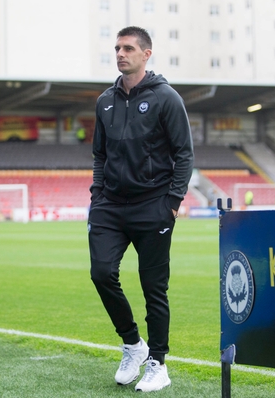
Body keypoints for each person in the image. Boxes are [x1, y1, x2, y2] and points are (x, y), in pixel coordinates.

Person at [88, 26, 194, 393]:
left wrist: (172, 202)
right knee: (101, 273)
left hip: (154, 205)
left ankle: (158, 363)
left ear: (146, 54)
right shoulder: (104, 101)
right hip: (110, 207)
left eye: (128, 48)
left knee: (154, 289)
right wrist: (96, 196)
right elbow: (99, 154)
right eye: (117, 48)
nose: (120, 53)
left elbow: (184, 154)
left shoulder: (166, 98)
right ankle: (133, 345)